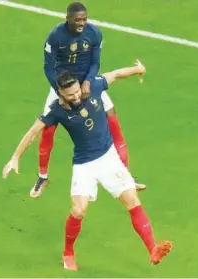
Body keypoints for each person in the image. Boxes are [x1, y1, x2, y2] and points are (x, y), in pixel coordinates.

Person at [2, 60, 172, 271]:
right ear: (61, 93)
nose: (76, 96)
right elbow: (34, 131)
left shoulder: (93, 87)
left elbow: (116, 74)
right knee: (78, 210)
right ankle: (68, 253)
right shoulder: (56, 110)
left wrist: (138, 69)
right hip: (84, 164)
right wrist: (15, 157)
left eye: (76, 91)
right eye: (70, 94)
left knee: (132, 201)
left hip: (109, 158)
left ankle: (152, 249)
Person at [34, 1, 145, 198]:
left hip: (88, 85)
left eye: (84, 19)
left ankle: (126, 176)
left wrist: (87, 82)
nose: (81, 23)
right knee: (47, 128)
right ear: (67, 18)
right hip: (62, 87)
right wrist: (60, 92)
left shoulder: (94, 33)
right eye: (77, 19)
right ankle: (43, 177)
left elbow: (95, 62)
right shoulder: (55, 36)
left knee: (113, 122)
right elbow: (48, 68)